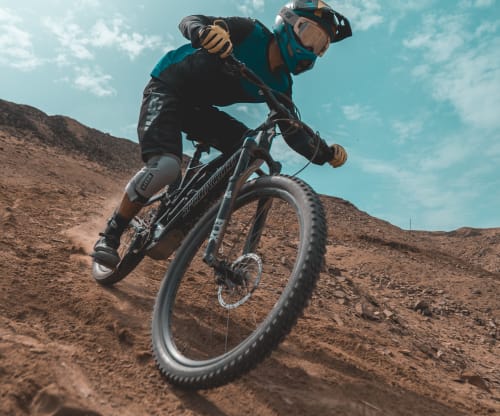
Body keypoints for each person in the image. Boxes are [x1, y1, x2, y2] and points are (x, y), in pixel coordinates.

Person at [92, 0, 352, 269]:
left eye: (321, 46)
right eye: (310, 35)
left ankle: (189, 208)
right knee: (167, 167)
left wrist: (325, 153)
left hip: (198, 110)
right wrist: (204, 33)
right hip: (167, 88)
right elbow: (190, 20)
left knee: (248, 149)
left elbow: (293, 133)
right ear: (287, 22)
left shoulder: (282, 84)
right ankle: (110, 235)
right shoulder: (249, 31)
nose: (311, 49)